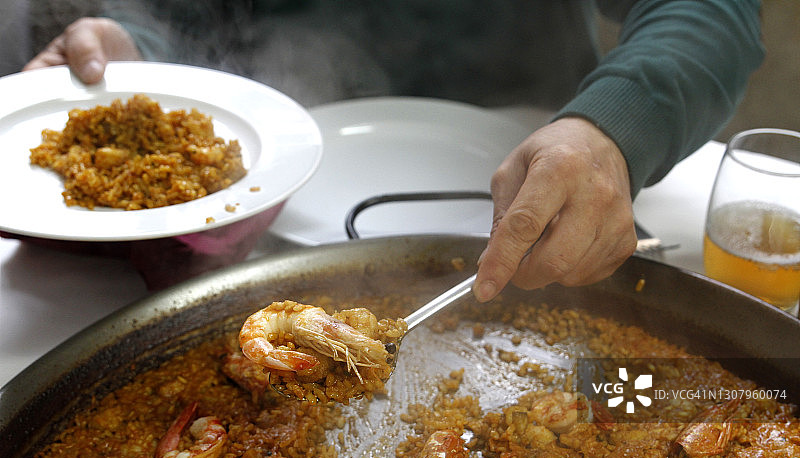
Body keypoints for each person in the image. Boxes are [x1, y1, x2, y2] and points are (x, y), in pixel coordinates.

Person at [23, 1, 764, 299]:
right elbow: (195, 22)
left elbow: (711, 12)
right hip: (268, 220)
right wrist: (139, 62)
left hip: (548, 187)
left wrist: (613, 130)